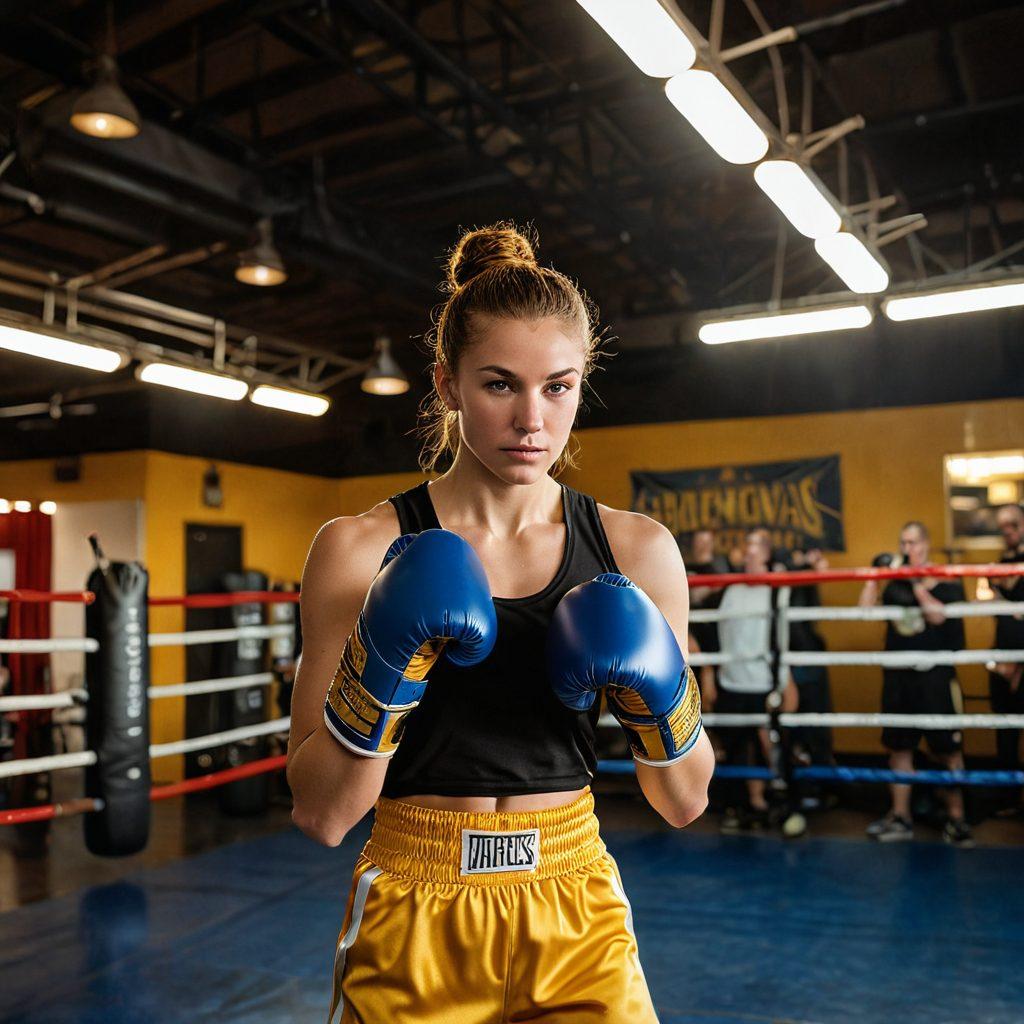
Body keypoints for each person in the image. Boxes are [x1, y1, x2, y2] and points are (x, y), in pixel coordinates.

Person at [286, 222, 716, 1023]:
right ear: (447, 384)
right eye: (499, 385)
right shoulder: (357, 550)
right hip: (415, 905)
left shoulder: (636, 550)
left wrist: (659, 702)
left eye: (558, 386)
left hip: (576, 904)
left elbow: (685, 800)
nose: (532, 420)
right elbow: (321, 814)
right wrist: (384, 669)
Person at [858, 521, 972, 846]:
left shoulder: (947, 580)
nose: (908, 550)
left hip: (935, 676)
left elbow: (937, 616)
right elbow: (863, 614)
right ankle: (900, 817)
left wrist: (917, 583)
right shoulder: (894, 584)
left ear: (927, 544)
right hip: (898, 675)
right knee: (899, 747)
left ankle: (957, 819)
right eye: (903, 543)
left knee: (948, 750)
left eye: (914, 543)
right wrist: (874, 578)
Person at [714, 528, 799, 833]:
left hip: (764, 680)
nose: (748, 551)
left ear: (766, 553)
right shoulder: (732, 588)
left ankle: (782, 804)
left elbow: (782, 636)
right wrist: (713, 674)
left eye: (755, 546)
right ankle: (747, 806)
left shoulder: (777, 588)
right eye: (746, 545)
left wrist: (782, 679)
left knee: (771, 747)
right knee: (738, 748)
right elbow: (720, 631)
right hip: (732, 678)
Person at [989, 503, 1024, 816]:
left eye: (1012, 524)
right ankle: (1009, 800)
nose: (1007, 532)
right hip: (1003, 654)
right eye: (1002, 527)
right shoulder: (1001, 563)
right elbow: (1000, 607)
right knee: (1005, 730)